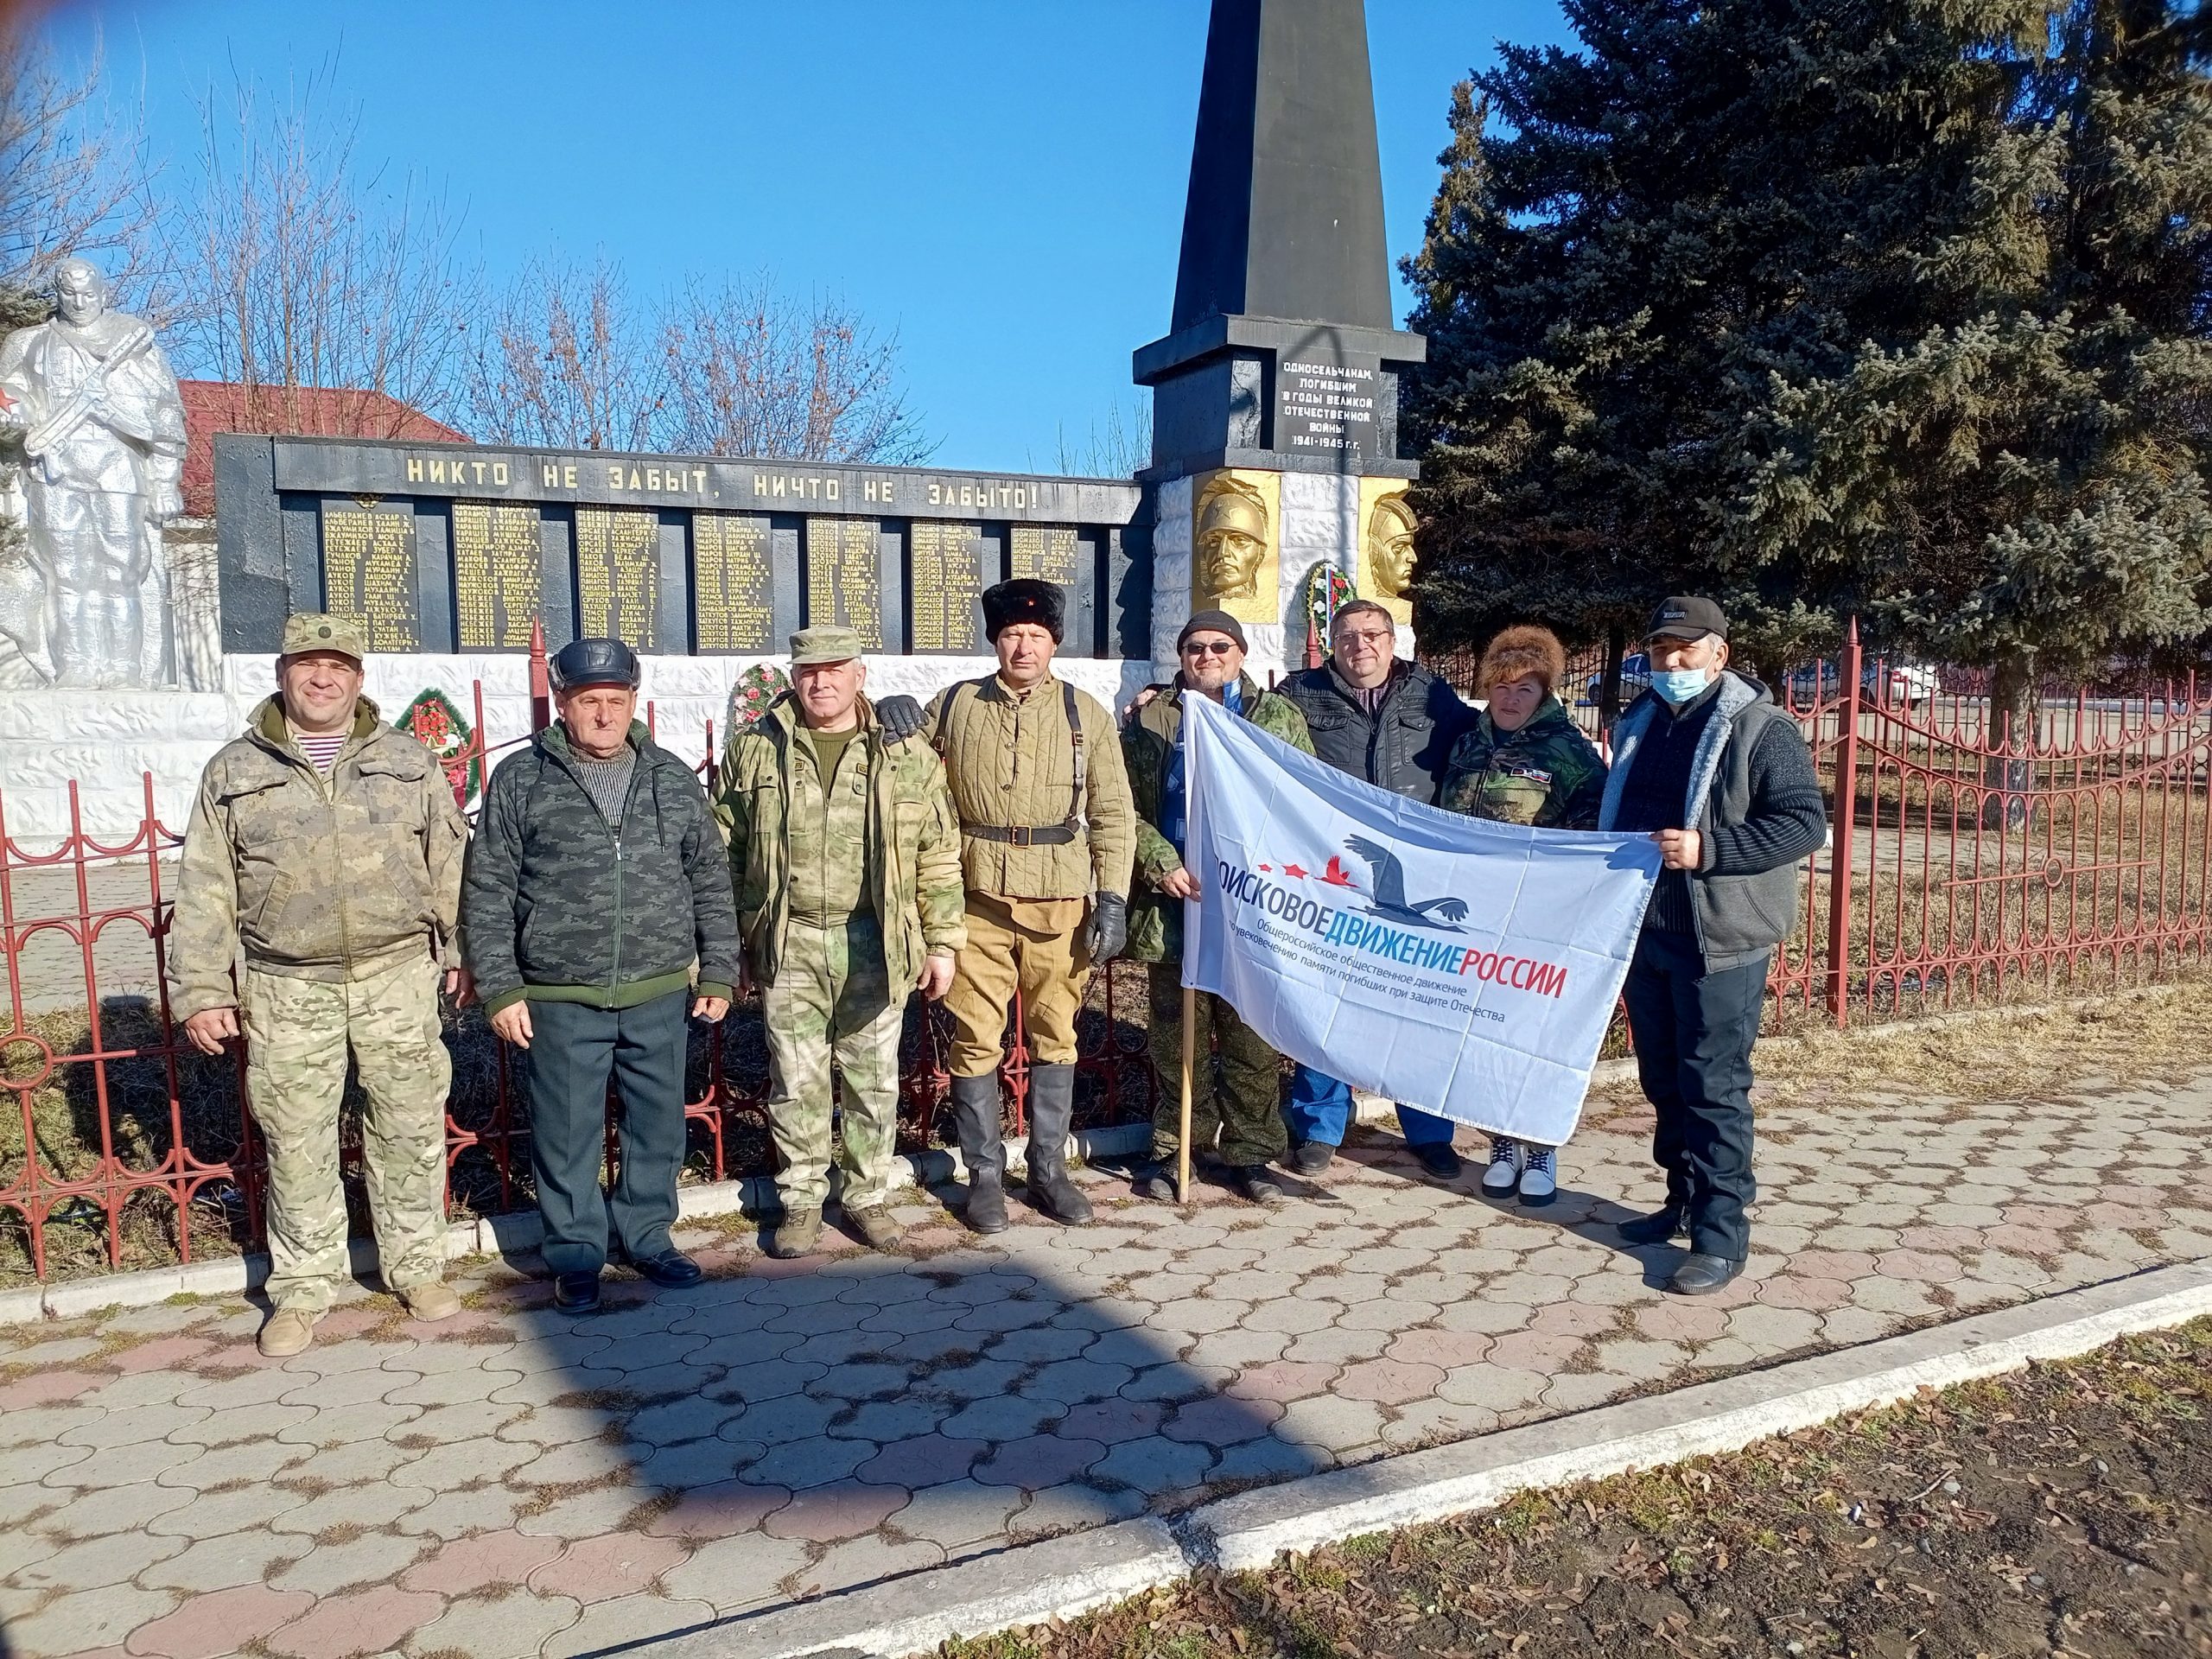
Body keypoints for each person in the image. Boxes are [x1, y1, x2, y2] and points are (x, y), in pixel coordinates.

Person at [168, 613, 469, 1357]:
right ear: (282, 674)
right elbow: (206, 885)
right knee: (297, 1139)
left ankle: (415, 1265)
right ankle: (303, 1286)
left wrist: (464, 951)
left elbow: (450, 863)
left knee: (406, 1127)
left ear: (360, 680)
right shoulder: (235, 771)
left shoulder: (406, 759)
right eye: (308, 664)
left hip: (395, 973)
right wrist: (203, 987)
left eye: (338, 665)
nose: (323, 678)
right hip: (285, 984)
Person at [461, 637, 742, 1313]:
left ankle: (647, 1236)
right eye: (590, 702)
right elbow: (490, 885)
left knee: (657, 1126)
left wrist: (720, 971)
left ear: (633, 703)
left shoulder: (670, 778)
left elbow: (708, 876)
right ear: (564, 705)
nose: (605, 715)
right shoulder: (521, 779)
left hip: (658, 989)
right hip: (561, 996)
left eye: (615, 701)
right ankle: (578, 1254)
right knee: (565, 1131)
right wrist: (500, 985)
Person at [1599, 596, 1827, 1294]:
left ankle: (1721, 1234)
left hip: (1719, 936)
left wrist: (1710, 849)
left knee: (1713, 1086)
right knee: (1664, 1080)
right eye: (1661, 650)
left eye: (1687, 650)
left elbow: (1803, 824)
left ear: (1718, 653)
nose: (1672, 663)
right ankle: (1682, 1199)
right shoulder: (1639, 721)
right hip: (1648, 930)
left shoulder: (1762, 728)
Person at [713, 626, 965, 1258]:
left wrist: (943, 942)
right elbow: (724, 851)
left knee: (872, 1080)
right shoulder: (755, 751)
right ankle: (800, 1200)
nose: (820, 682)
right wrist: (728, 946)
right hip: (790, 935)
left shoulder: (905, 752)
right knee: (795, 1080)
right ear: (792, 677)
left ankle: (866, 1197)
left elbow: (937, 854)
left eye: (833, 670)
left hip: (876, 939)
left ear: (859, 675)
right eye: (807, 671)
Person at [925, 578, 1137, 1231]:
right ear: (996, 641)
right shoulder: (956, 704)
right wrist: (895, 709)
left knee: (1056, 1035)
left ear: (1053, 644)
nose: (1023, 647)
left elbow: (1112, 813)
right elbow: (899, 758)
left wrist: (1113, 898)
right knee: (974, 1038)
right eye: (1012, 635)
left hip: (1060, 899)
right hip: (976, 896)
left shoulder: (1084, 712)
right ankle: (985, 1176)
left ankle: (1048, 1169)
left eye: (1036, 637)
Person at [1278, 598, 1479, 1177]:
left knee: (1415, 1003)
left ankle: (1429, 1129)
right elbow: (1242, 718)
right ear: (1332, 642)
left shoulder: (1431, 695)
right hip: (1335, 875)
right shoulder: (1301, 694)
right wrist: (1166, 694)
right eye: (1346, 636)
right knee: (1329, 1002)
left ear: (1392, 643)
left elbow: (1490, 735)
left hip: (1416, 872)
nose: (1359, 645)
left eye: (1372, 634)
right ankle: (1319, 1126)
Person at [1122, 611, 1314, 1204]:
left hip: (1249, 905)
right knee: (1176, 1037)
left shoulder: (1275, 717)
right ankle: (1177, 1146)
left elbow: (1304, 797)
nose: (1207, 656)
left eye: (1219, 646)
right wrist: (1161, 862)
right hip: (1177, 900)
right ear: (1181, 656)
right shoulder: (1152, 717)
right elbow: (1122, 804)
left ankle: (1253, 1155)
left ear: (1240, 652)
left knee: (1251, 1037)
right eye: (1194, 647)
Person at [1440, 624, 1608, 1206]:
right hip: (1477, 915)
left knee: (1533, 1033)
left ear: (1545, 693)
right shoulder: (1467, 744)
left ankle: (1539, 1147)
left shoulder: (1568, 752)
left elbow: (1595, 828)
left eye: (1525, 689)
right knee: (1484, 1030)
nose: (1511, 698)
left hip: (1537, 918)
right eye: (1502, 686)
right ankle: (1500, 1146)